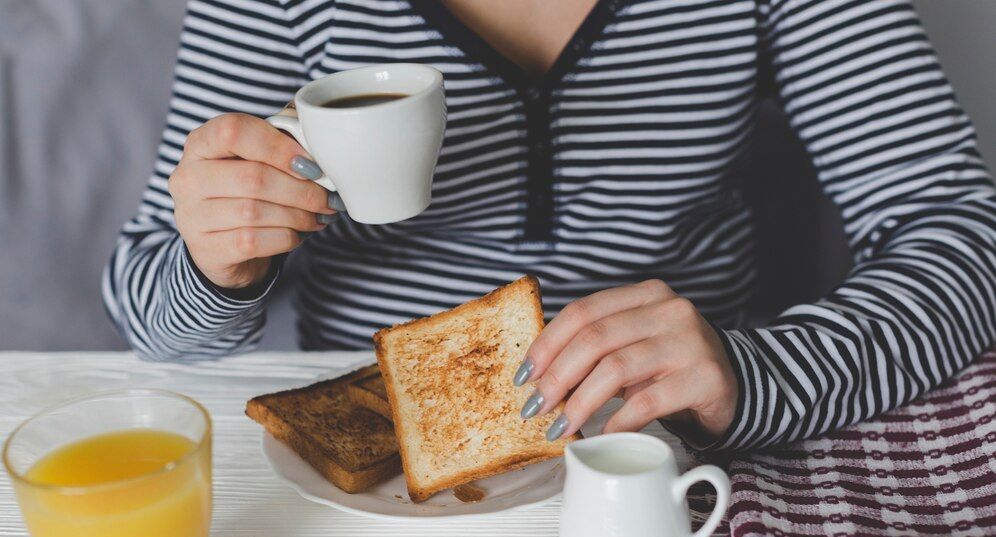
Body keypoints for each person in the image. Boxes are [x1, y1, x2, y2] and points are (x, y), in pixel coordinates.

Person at [103, 0, 996, 450]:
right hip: (371, 464)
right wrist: (216, 264)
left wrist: (753, 374)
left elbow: (962, 236)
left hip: (674, 459)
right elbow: (150, 314)